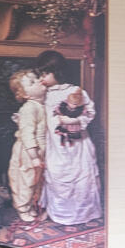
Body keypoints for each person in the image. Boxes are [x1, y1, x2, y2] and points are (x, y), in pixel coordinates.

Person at [42, 84, 102, 230]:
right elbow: (52, 117)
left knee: (81, 172)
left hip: (77, 139)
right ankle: (58, 212)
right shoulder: (50, 96)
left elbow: (88, 114)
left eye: (45, 74)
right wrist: (61, 119)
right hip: (58, 140)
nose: (42, 79)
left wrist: (76, 121)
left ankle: (84, 213)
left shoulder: (77, 94)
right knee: (59, 171)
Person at [5, 68, 51, 223]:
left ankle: (32, 205)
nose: (38, 80)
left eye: (36, 78)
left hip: (41, 149)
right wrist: (34, 157)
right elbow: (27, 134)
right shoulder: (29, 108)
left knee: (38, 180)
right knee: (26, 180)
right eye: (32, 82)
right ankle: (22, 207)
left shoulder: (42, 104)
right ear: (26, 95)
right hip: (28, 151)